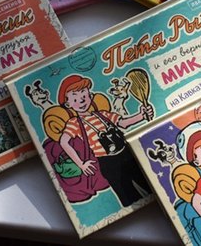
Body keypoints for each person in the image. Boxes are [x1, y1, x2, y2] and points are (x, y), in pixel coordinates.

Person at [57, 74, 153, 207]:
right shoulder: (74, 123)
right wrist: (81, 164)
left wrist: (141, 115)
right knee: (127, 195)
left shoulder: (103, 114)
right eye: (75, 98)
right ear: (68, 104)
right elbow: (63, 142)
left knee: (148, 183)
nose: (81, 100)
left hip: (126, 154)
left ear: (90, 95)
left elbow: (123, 123)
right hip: (108, 162)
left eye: (84, 95)